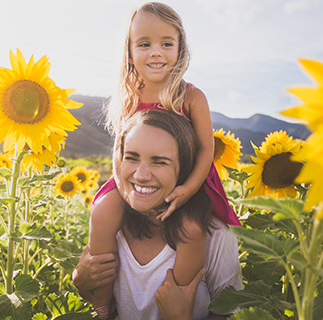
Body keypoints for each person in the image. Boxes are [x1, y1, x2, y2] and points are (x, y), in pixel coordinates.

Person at [88, 2, 241, 318]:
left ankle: (180, 299)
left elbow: (205, 149)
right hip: (132, 181)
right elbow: (120, 153)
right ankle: (102, 306)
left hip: (189, 181)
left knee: (190, 228)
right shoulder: (129, 97)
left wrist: (187, 190)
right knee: (102, 210)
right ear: (129, 52)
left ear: (180, 48)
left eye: (166, 43)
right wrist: (124, 189)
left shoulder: (191, 96)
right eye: (144, 44)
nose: (155, 52)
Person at [73, 110, 243, 320]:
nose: (141, 175)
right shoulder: (111, 224)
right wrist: (81, 284)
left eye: (159, 162)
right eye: (132, 158)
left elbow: (229, 314)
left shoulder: (216, 236)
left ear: (186, 169)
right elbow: (106, 309)